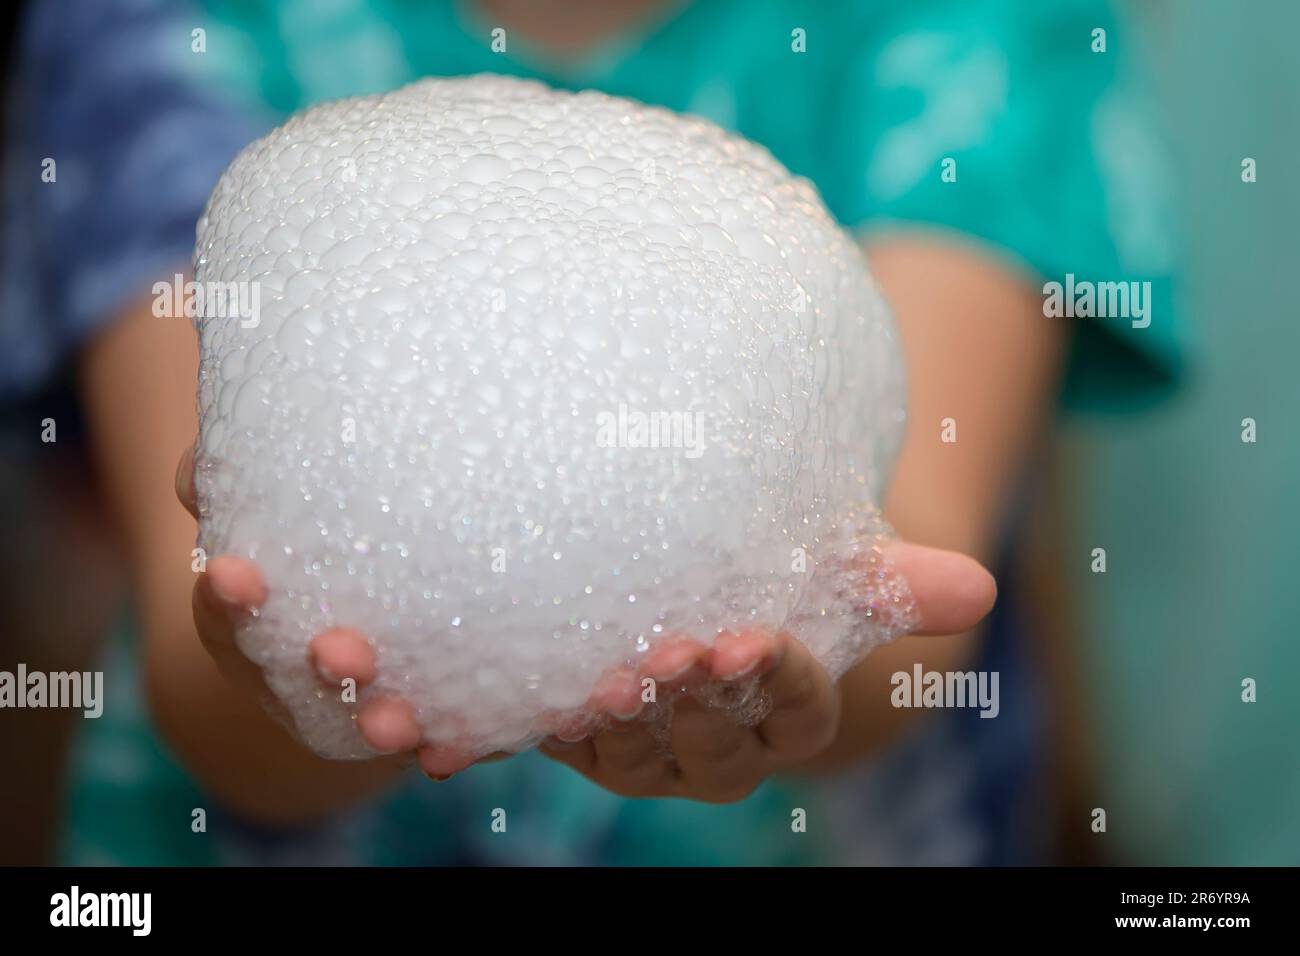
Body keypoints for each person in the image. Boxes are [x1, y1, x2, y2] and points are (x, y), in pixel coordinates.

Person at [1, 0, 1180, 865]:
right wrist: (289, 680)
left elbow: (915, 561)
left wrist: (817, 645)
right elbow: (201, 641)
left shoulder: (979, 24)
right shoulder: (160, 27)